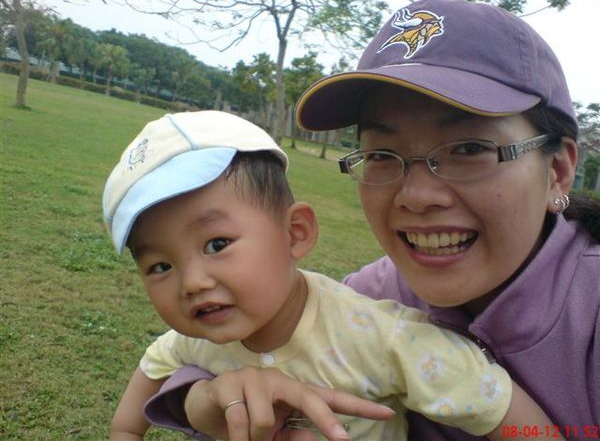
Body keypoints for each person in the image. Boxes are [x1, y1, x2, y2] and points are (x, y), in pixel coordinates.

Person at [142, 0, 600, 441]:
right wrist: (201, 401)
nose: (416, 195)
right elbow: (223, 355)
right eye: (382, 154)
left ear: (557, 172)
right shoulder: (366, 302)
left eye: (469, 149)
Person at [104, 110, 562, 441]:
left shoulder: (379, 337)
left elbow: (499, 406)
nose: (192, 282)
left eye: (217, 245)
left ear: (295, 233)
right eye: (160, 265)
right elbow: (127, 423)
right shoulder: (190, 340)